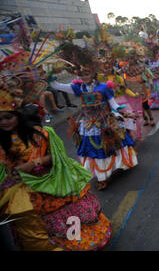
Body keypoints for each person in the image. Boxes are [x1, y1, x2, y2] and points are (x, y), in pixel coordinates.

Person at [0, 58, 111, 251]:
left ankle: (104, 177)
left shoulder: (102, 87)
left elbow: (55, 158)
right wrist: (50, 77)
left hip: (99, 123)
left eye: (7, 117)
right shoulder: (77, 89)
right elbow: (60, 86)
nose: (3, 122)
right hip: (21, 190)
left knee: (101, 151)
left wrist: (118, 113)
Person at [51, 44, 138, 191]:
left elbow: (114, 104)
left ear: (92, 74)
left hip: (105, 121)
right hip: (88, 124)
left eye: (87, 74)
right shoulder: (78, 88)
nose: (84, 77)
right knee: (92, 149)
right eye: (81, 75)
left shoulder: (104, 87)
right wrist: (47, 78)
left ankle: (110, 172)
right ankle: (101, 176)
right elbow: (57, 86)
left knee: (110, 146)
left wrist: (124, 113)